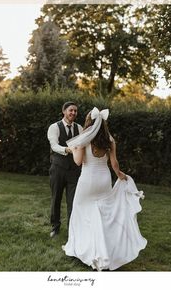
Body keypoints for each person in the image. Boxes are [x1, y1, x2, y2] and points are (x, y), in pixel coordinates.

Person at [62, 107, 147, 271]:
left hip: (87, 180)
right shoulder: (109, 139)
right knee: (101, 216)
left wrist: (73, 150)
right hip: (104, 179)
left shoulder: (84, 138)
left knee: (80, 213)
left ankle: (82, 249)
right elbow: (114, 164)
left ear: (89, 122)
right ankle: (104, 250)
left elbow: (78, 162)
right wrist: (120, 175)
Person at [47, 101, 83, 238]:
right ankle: (55, 227)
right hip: (58, 169)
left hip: (74, 170)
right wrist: (67, 149)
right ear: (64, 111)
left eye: (75, 111)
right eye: (70, 110)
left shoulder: (79, 128)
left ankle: (72, 230)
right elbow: (54, 145)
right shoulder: (54, 127)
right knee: (56, 198)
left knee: (73, 201)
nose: (73, 113)